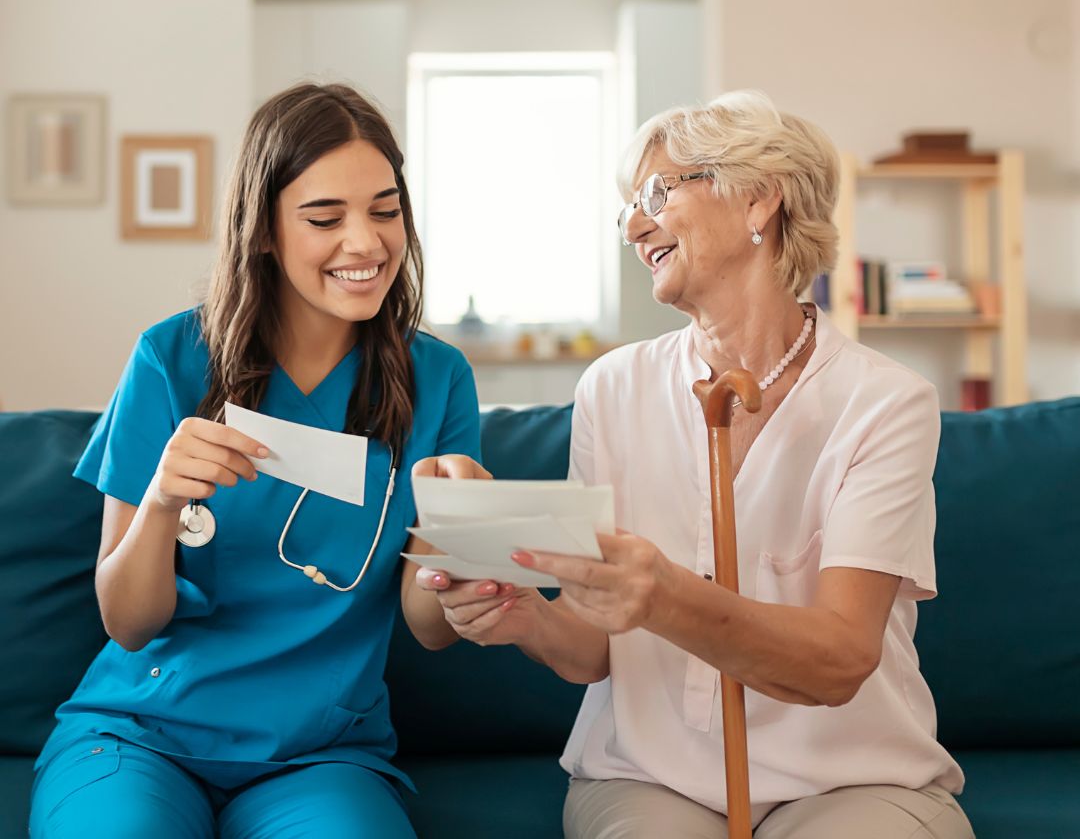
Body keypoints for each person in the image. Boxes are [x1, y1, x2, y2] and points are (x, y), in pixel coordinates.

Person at [417, 90, 975, 838]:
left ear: (759, 200)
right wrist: (523, 615)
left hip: (849, 779)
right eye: (627, 210)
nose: (635, 226)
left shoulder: (885, 403)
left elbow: (841, 659)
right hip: (651, 779)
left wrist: (666, 595)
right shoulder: (612, 388)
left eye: (656, 192)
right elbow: (595, 649)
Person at [30, 83, 480, 839]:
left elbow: (430, 629)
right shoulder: (171, 360)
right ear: (265, 230)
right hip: (142, 734)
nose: (366, 243)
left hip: (320, 754)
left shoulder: (437, 380)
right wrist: (164, 505)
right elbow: (128, 621)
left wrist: (463, 535)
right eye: (324, 218)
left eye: (384, 208)